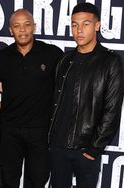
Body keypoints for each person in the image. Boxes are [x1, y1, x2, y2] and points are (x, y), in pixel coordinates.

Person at [48, 3, 124, 188]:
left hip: (86, 149)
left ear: (97, 25)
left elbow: (112, 110)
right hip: (58, 147)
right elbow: (56, 102)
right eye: (74, 25)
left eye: (85, 24)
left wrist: (95, 148)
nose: (79, 30)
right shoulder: (65, 60)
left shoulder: (110, 61)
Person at [0, 9, 64, 188]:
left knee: (37, 181)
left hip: (39, 131)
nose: (22, 30)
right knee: (9, 181)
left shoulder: (53, 54)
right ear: (10, 30)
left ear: (34, 27)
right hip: (9, 130)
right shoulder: (1, 57)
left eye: (26, 25)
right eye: (17, 26)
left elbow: (64, 90)